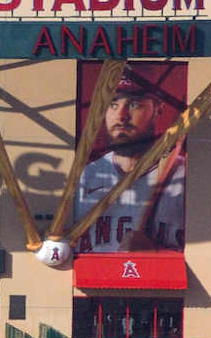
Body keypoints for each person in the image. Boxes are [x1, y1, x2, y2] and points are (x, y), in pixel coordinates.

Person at [71, 65, 187, 251]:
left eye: (134, 104)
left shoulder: (186, 177)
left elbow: (209, 261)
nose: (121, 115)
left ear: (158, 109)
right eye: (112, 104)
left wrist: (154, 253)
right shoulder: (85, 177)